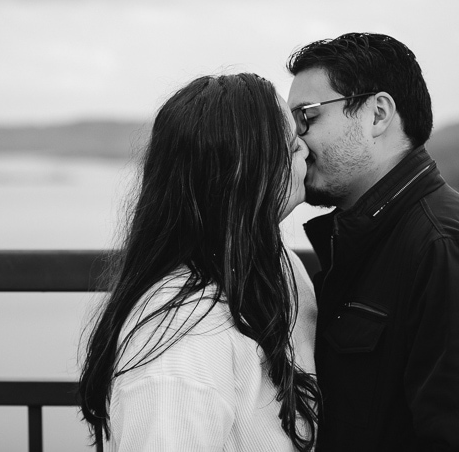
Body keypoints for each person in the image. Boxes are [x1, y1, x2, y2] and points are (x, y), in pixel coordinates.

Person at [286, 33, 459, 451]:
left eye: (307, 117)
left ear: (378, 113)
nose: (295, 139)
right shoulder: (375, 234)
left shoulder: (445, 248)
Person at [79, 73, 320, 451]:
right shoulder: (180, 350)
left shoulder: (278, 265)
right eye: (291, 147)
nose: (306, 150)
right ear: (246, 174)